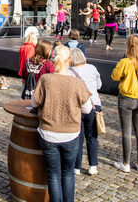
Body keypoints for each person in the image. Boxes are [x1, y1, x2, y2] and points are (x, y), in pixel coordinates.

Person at [32, 45, 91, 202]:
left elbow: (34, 102)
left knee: (53, 174)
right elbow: (87, 109)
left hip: (48, 133)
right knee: (68, 172)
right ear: (69, 60)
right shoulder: (77, 83)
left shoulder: (46, 80)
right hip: (70, 134)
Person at [111, 34, 138, 172]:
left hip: (126, 99)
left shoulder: (125, 62)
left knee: (126, 131)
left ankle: (126, 163)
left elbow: (115, 76)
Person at [69, 48, 102, 176]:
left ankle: (76, 166)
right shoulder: (92, 68)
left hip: (78, 106)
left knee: (78, 137)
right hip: (94, 104)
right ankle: (93, 165)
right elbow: (99, 85)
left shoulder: (70, 72)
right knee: (92, 136)